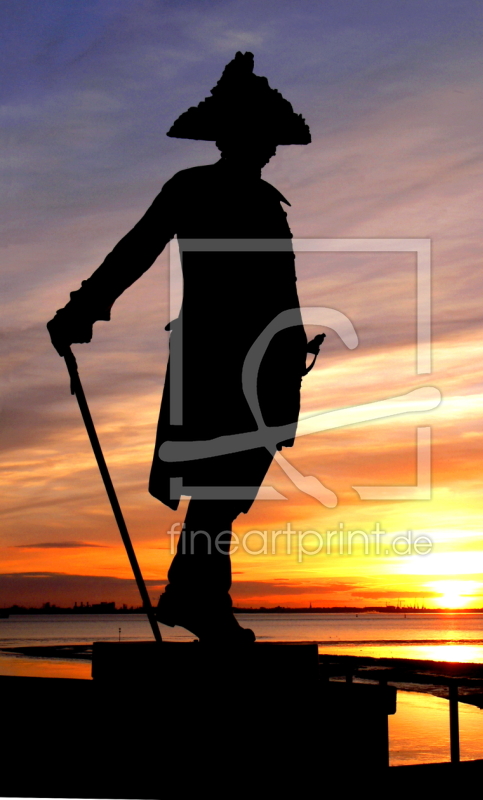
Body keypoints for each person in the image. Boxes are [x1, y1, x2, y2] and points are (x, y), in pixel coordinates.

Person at [47, 52, 314, 644]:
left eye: (271, 139)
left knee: (233, 488)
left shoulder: (267, 202)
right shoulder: (192, 189)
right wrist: (82, 309)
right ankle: (198, 598)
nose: (268, 149)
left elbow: (278, 290)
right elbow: (136, 248)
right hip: (218, 359)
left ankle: (191, 593)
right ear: (231, 136)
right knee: (219, 486)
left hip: (270, 367)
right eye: (260, 136)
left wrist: (291, 348)